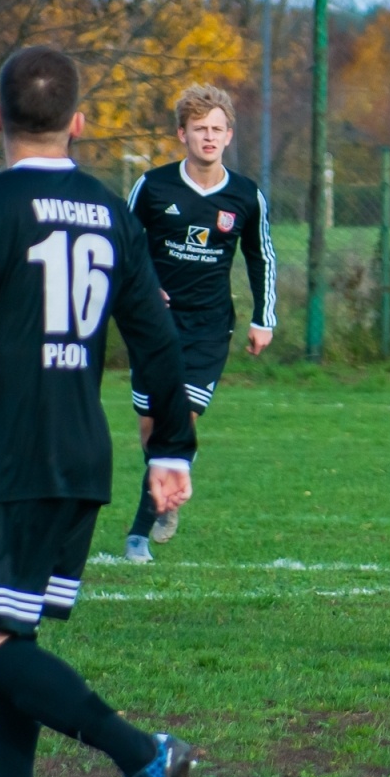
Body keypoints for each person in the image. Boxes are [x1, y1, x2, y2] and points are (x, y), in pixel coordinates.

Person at [0, 46, 198, 777]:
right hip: (79, 456)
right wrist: (172, 448)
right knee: (11, 641)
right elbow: (157, 338)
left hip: (11, 458)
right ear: (77, 123)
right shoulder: (109, 208)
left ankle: (142, 751)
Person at [123, 84, 276, 561]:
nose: (208, 137)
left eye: (216, 129)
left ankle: (144, 525)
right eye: (198, 129)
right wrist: (142, 290)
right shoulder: (152, 186)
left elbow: (262, 257)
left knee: (182, 414)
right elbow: (123, 248)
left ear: (229, 135)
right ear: (181, 134)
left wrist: (263, 318)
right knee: (151, 425)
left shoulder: (245, 194)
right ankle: (168, 477)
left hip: (210, 326)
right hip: (153, 323)